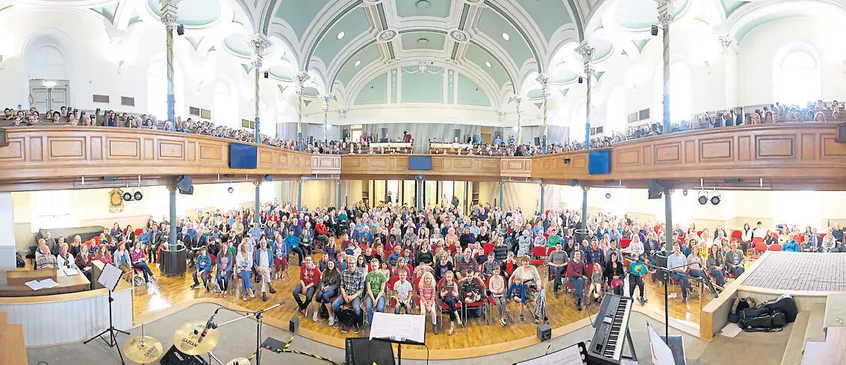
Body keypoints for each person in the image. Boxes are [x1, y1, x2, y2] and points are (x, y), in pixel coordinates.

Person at [332, 257, 365, 333]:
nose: (351, 265)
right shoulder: (344, 273)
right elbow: (342, 286)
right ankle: (341, 319)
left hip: (355, 295)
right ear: (347, 263)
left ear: (355, 264)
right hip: (345, 294)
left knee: (357, 309)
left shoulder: (360, 274)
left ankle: (354, 323)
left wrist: (352, 297)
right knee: (334, 305)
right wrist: (344, 296)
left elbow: (361, 289)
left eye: (353, 263)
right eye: (349, 263)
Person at [364, 258, 388, 326]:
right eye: (372, 266)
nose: (374, 267)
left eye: (375, 266)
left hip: (380, 295)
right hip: (371, 294)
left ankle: (379, 323)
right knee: (368, 308)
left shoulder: (382, 276)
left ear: (378, 266)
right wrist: (373, 299)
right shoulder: (368, 276)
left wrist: (376, 299)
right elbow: (368, 289)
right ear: (370, 266)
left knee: (379, 308)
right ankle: (372, 324)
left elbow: (382, 290)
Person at [439, 270, 462, 336]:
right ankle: (457, 316)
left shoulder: (454, 284)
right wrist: (444, 293)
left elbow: (457, 294)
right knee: (450, 300)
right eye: (447, 277)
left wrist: (454, 293)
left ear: (452, 278)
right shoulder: (444, 284)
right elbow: (441, 295)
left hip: (453, 298)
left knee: (451, 307)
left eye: (450, 277)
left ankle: (452, 326)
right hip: (446, 298)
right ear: (445, 278)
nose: (449, 279)